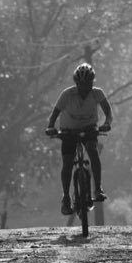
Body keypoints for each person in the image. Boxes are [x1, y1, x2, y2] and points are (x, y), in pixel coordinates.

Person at [45, 63, 113, 215]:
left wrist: (107, 123)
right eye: (81, 84)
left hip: (89, 129)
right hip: (68, 131)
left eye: (87, 84)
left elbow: (108, 111)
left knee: (93, 152)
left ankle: (98, 189)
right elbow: (55, 113)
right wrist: (50, 126)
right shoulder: (67, 94)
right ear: (76, 83)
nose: (84, 88)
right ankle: (66, 198)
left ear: (92, 83)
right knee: (68, 162)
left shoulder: (97, 94)